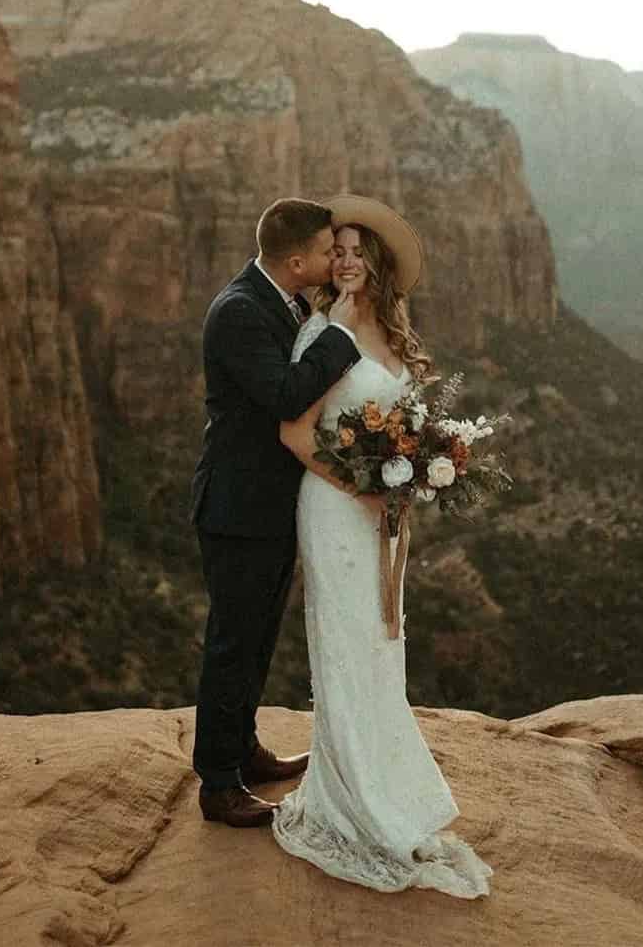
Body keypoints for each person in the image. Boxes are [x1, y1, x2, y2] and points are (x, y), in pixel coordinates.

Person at [272, 194, 493, 898]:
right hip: (335, 508)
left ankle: (387, 789)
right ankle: (352, 803)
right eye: (334, 251)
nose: (343, 262)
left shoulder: (396, 335)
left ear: (377, 261)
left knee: (381, 642)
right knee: (345, 640)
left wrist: (416, 473)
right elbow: (295, 433)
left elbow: (403, 421)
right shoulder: (319, 332)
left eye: (355, 250)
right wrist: (362, 487)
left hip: (380, 513)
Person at [191, 197, 364, 827]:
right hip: (238, 509)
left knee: (258, 637)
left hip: (268, 506)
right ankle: (217, 784)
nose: (331, 259)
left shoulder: (281, 299)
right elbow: (286, 395)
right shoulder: (239, 312)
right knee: (233, 643)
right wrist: (343, 334)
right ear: (297, 261)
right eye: (324, 251)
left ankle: (242, 750)